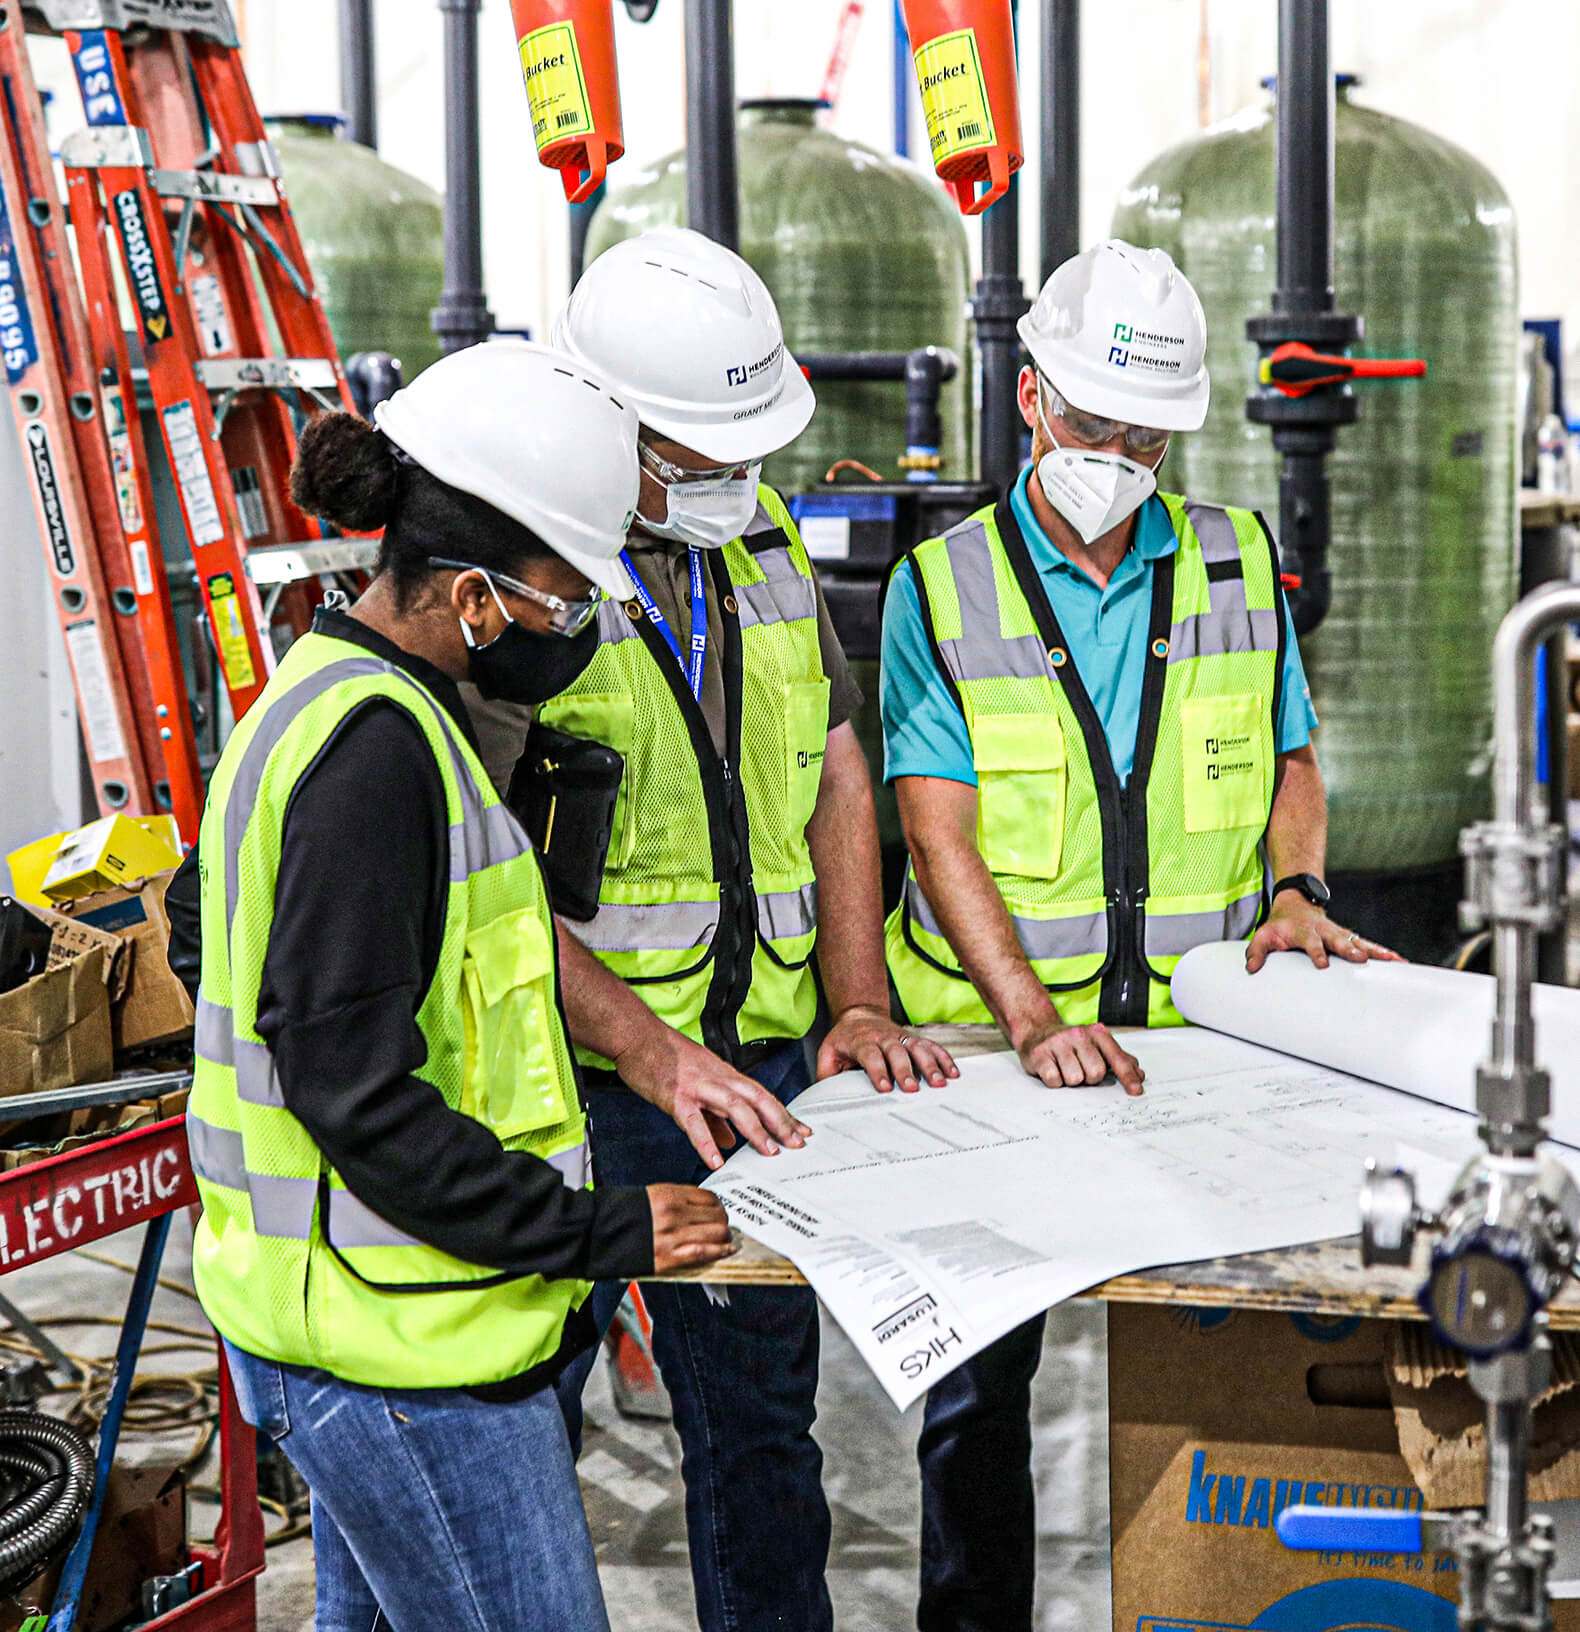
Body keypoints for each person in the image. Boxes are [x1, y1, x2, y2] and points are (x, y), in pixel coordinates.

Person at [178, 340, 769, 1632]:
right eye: (566, 601)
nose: (580, 628)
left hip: (370, 1319)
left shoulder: (344, 700)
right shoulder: (377, 758)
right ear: (475, 595)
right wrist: (604, 1231)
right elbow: (357, 1101)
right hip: (402, 1347)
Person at [878, 239, 1401, 1632]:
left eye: (1150, 434)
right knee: (979, 1391)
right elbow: (939, 832)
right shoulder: (942, 586)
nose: (1121, 456)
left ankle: (1206, 1600)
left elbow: (1293, 756)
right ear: (1032, 397)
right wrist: (1033, 1022)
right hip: (997, 1052)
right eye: (1097, 424)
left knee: (1212, 1350)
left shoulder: (1234, 557)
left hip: (1195, 1040)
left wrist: (1299, 893)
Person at [465, 226, 953, 1632]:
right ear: (606, 416)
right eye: (701, 449)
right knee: (518, 1429)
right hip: (579, 1083)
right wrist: (649, 1050)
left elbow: (839, 768)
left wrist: (855, 996)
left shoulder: (761, 534)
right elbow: (481, 865)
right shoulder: (521, 579)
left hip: (763, 1076)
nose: (734, 477)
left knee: (759, 1433)